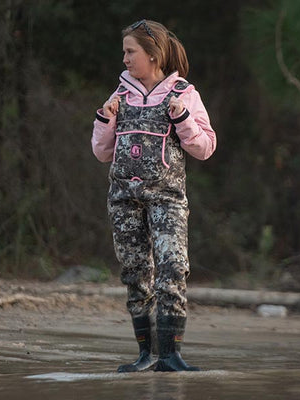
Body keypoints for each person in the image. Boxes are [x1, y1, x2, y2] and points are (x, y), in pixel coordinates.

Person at [91, 19, 216, 372]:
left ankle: (171, 355)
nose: (125, 59)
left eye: (131, 52)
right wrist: (105, 119)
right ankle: (146, 354)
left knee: (172, 268)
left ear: (153, 53)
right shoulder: (119, 96)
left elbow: (205, 148)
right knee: (135, 273)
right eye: (125, 52)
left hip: (167, 199)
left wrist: (183, 119)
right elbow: (102, 153)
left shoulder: (184, 94)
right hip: (124, 199)